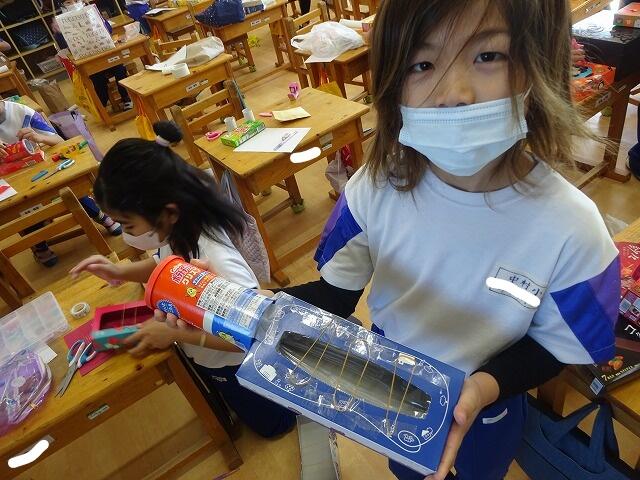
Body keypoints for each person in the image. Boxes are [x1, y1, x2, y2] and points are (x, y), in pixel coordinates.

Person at [175, 1, 618, 478]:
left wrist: (484, 386)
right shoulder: (372, 191)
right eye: (422, 65)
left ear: (538, 65)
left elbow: (554, 348)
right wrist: (230, 301)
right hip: (390, 395)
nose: (455, 94)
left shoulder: (573, 230)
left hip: (491, 408)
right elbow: (332, 296)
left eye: (488, 56)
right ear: (391, 86)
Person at [69, 121, 296, 438]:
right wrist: (121, 272)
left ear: (169, 212)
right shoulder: (176, 231)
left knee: (273, 425)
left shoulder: (215, 256)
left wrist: (176, 334)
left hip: (234, 361)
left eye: (128, 226)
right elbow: (163, 266)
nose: (125, 236)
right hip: (207, 353)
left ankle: (279, 414)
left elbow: (254, 333)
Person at [0, 99, 120, 267]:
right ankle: (38, 243)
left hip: (40, 167)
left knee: (68, 187)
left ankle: (98, 214)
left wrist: (39, 137)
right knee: (22, 206)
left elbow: (59, 141)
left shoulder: (22, 112)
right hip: (11, 180)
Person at [52, 0, 133, 111]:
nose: (74, 4)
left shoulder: (90, 11)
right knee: (98, 80)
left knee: (120, 69)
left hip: (105, 55)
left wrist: (98, 19)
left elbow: (109, 30)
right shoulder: (60, 22)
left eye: (76, 0)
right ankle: (102, 105)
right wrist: (60, 32)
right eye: (69, 2)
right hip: (87, 62)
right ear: (62, 5)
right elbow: (63, 46)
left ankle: (126, 97)